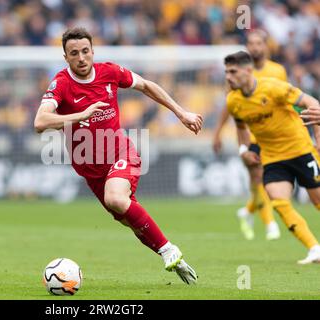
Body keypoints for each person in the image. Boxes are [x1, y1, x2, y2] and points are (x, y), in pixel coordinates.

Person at [34, 27, 203, 284]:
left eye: (85, 51)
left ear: (93, 51)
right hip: (92, 172)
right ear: (65, 57)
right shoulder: (61, 84)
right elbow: (40, 121)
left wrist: (181, 113)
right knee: (130, 219)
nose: (81, 58)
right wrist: (80, 115)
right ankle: (167, 254)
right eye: (74, 53)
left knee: (115, 198)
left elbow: (146, 85)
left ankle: (170, 249)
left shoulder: (109, 72)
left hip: (121, 154)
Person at [225, 51, 320, 264]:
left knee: (317, 200)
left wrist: (318, 137)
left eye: (233, 71)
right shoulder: (233, 101)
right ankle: (314, 249)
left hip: (300, 150)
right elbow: (240, 127)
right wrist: (244, 149)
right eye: (226, 72)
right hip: (272, 157)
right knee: (279, 200)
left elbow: (311, 102)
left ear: (248, 70)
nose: (228, 77)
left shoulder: (274, 87)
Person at [212, 30, 285, 241]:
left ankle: (247, 211)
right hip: (249, 137)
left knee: (268, 182)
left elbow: (285, 103)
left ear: (266, 46)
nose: (254, 47)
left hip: (274, 136)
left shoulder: (278, 71)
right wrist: (217, 133)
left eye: (258, 43)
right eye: (250, 43)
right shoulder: (235, 74)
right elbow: (229, 106)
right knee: (258, 177)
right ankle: (271, 225)